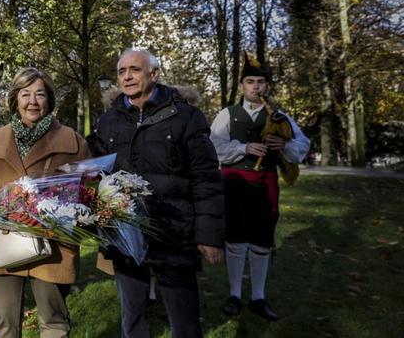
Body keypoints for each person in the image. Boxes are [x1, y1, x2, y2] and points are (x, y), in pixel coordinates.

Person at [88, 48, 224, 338]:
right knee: (132, 317)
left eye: (134, 70)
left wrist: (209, 235)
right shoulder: (109, 120)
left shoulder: (186, 116)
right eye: (122, 71)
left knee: (184, 319)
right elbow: (97, 167)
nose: (127, 76)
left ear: (154, 74)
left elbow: (207, 179)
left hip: (174, 231)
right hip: (126, 231)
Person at [0, 68, 88, 338]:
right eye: (25, 94)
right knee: (6, 325)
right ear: (15, 99)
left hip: (53, 245)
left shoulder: (71, 140)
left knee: (54, 324)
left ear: (49, 100)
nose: (32, 101)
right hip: (4, 242)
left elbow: (87, 187)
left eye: (40, 94)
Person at [210, 53, 310, 321]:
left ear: (267, 86)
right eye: (250, 81)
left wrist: (285, 145)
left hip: (266, 183)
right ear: (242, 86)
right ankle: (234, 294)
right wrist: (244, 147)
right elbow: (212, 148)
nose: (255, 87)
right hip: (235, 184)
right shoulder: (227, 115)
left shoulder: (279, 116)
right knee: (235, 239)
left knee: (262, 240)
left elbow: (303, 145)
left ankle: (258, 297)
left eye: (261, 82)